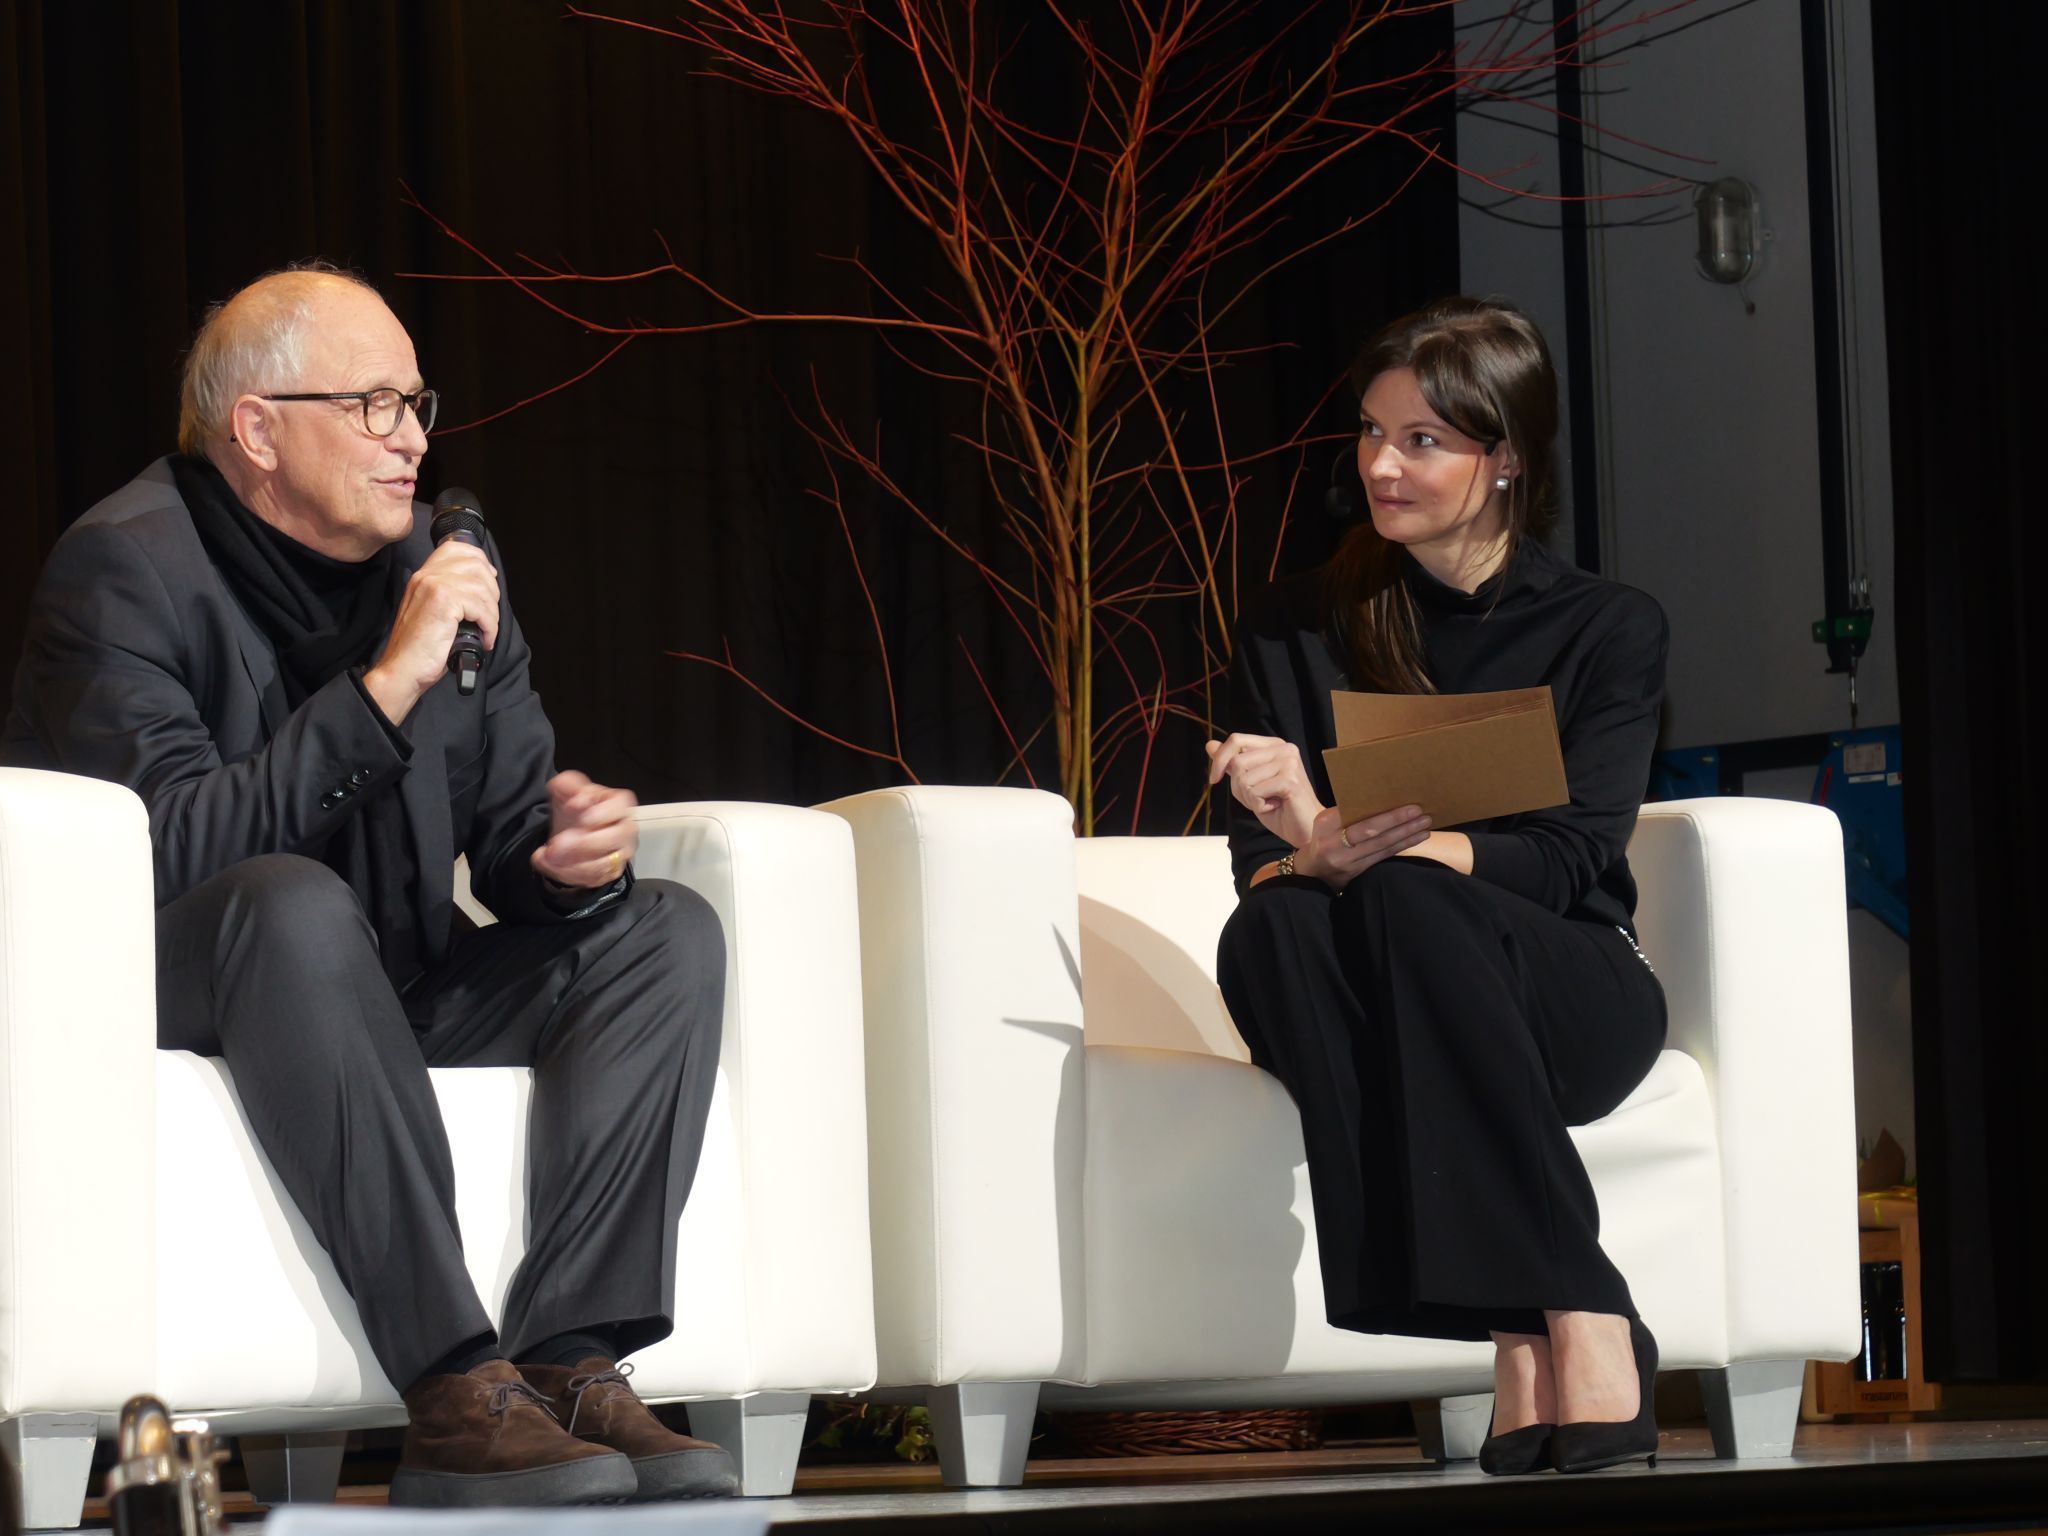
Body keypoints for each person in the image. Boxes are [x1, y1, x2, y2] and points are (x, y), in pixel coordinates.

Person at [4, 264, 735, 1508]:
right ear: (259, 430)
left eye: (418, 404)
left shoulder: (446, 566)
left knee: (660, 931)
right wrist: (384, 686)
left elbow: (504, 823)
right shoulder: (124, 569)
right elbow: (169, 850)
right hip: (178, 975)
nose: (414, 440)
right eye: (374, 405)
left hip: (391, 977)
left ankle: (566, 1363)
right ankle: (452, 1389)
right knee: (288, 902)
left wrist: (557, 859)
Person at [1204, 296, 1670, 1477]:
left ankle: (1567, 1308)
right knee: (1275, 928)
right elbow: (1253, 856)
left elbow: (1574, 859)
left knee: (1406, 897)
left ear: (1503, 458)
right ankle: (1522, 1319)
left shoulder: (1603, 627)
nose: (1379, 464)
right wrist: (1303, 843)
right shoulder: (1292, 628)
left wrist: (1415, 846)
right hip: (1376, 978)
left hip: (1563, 989)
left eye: (1421, 440)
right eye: (1369, 433)